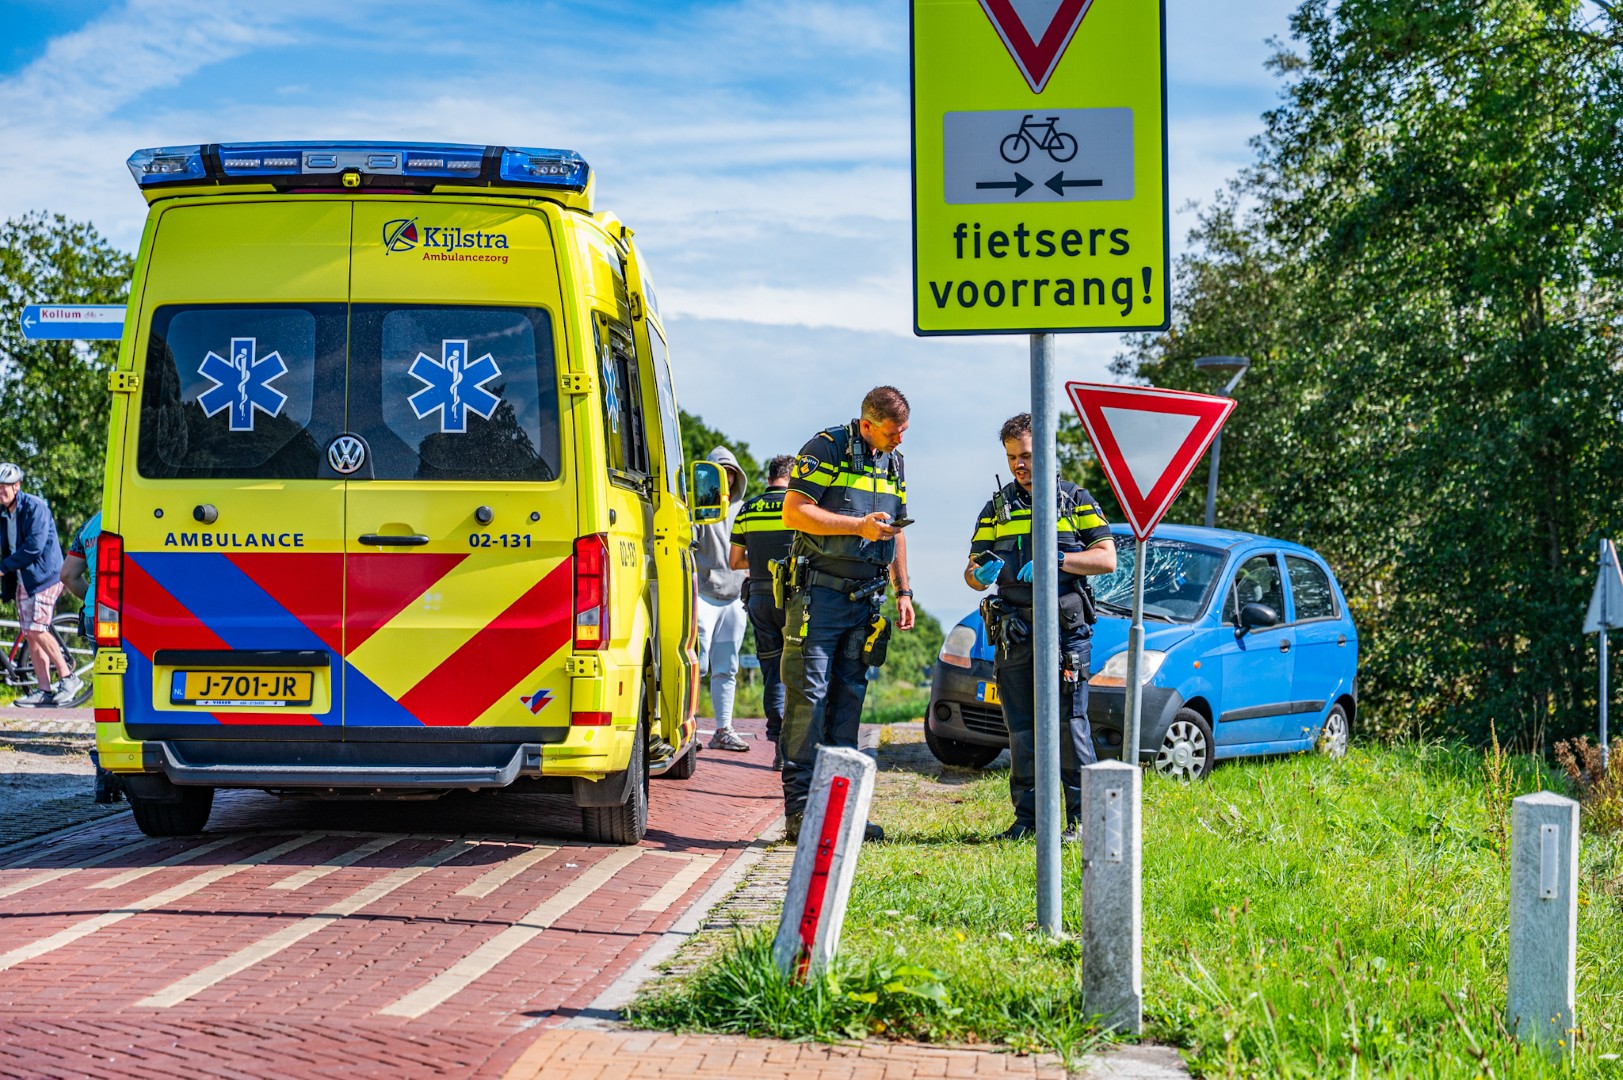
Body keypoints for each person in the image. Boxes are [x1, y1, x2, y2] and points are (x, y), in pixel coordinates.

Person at [965, 413, 1116, 842]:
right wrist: (979, 574)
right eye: (1012, 457)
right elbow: (972, 571)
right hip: (1015, 631)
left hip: (1066, 631)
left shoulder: (1075, 500)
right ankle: (1028, 820)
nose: (1019, 465)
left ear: (1047, 453)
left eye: (1028, 456)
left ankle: (1084, 820)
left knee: (1070, 724)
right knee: (1021, 727)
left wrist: (1059, 561)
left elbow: (1106, 558)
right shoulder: (996, 508)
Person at [778, 386, 916, 839]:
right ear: (867, 424)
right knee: (809, 702)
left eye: (904, 432)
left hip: (867, 599)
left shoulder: (893, 461)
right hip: (820, 596)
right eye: (894, 432)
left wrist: (903, 591)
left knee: (848, 705)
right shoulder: (826, 448)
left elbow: (894, 530)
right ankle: (800, 815)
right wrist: (857, 525)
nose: (900, 440)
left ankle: (840, 813)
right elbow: (794, 512)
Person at [729, 454, 796, 770]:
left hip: (758, 598)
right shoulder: (799, 508)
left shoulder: (748, 509)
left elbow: (734, 561)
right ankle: (795, 744)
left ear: (769, 477)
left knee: (772, 670)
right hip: (795, 600)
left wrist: (758, 564)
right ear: (791, 476)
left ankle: (777, 740)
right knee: (800, 670)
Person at [0, 463, 75, 707]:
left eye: (4, 488)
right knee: (30, 635)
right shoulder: (3, 514)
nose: (1, 492)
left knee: (36, 628)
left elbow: (34, 546)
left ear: (17, 486)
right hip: (23, 579)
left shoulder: (35, 507)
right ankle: (44, 690)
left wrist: (3, 567)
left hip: (45, 577)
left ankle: (68, 678)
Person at [693, 446, 751, 752]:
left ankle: (723, 729)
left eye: (731, 473)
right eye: (720, 472)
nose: (726, 479)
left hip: (734, 598)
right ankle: (687, 728)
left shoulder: (742, 510)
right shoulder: (697, 509)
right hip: (703, 594)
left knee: (727, 666)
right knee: (697, 665)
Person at [62, 510, 119, 801]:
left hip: (97, 616)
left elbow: (68, 575)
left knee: (108, 691)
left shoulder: (90, 525)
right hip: (130, 614)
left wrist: (91, 598)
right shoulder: (130, 515)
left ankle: (104, 775)